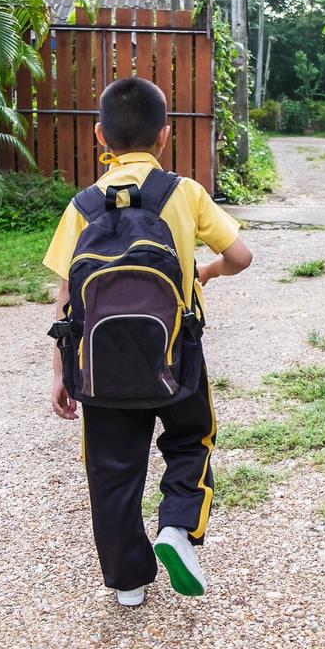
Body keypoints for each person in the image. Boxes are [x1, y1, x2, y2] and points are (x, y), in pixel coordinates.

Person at [43, 77, 252, 607]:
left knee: (111, 470)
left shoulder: (82, 205)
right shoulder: (182, 192)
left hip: (101, 363)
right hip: (176, 352)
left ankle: (129, 582)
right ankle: (178, 529)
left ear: (98, 136)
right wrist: (206, 272)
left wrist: (60, 372)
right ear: (165, 136)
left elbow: (67, 296)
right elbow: (242, 256)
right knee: (190, 440)